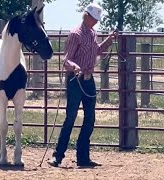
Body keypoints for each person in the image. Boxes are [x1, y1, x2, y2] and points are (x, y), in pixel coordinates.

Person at [48, 2, 117, 167]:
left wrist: (109, 40)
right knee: (70, 117)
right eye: (94, 18)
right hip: (75, 79)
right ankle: (58, 156)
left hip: (88, 79)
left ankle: (83, 157)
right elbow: (66, 59)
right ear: (86, 16)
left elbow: (96, 51)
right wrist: (75, 67)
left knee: (90, 118)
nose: (96, 22)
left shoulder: (92, 33)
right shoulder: (75, 34)